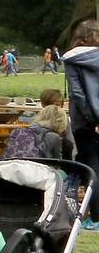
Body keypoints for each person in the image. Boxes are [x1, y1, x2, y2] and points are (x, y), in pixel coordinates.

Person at [63, 19, 99, 227]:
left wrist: (93, 119)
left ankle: (95, 213)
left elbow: (78, 94)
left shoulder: (72, 59)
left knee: (90, 167)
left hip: (84, 122)